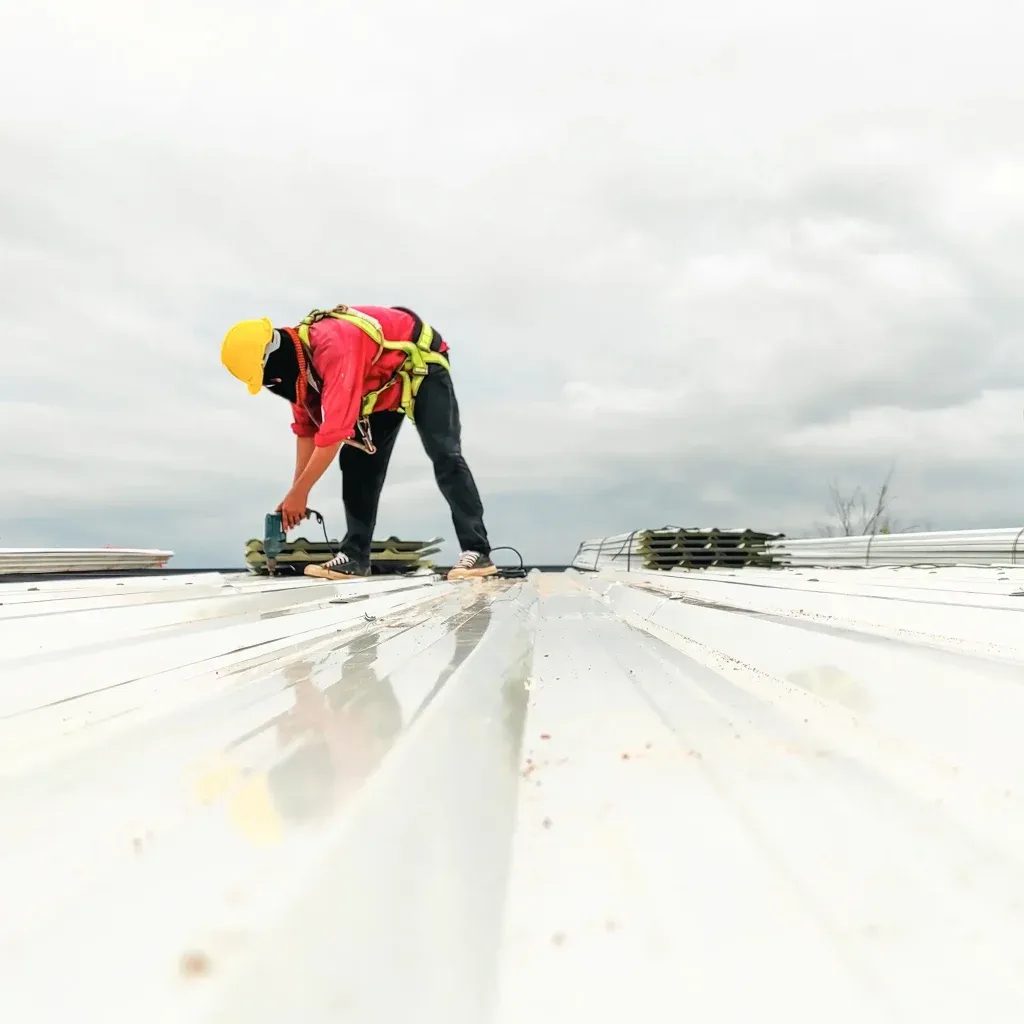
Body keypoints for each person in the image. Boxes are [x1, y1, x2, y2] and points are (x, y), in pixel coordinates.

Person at [220, 303, 497, 582]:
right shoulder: (302, 376)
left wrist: (300, 494)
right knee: (357, 461)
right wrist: (295, 493)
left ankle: (477, 551)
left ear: (273, 357)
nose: (273, 384)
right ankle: (355, 557)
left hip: (421, 364)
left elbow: (334, 432)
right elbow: (306, 432)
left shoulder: (333, 346)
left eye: (268, 378)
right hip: (380, 386)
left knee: (445, 453)